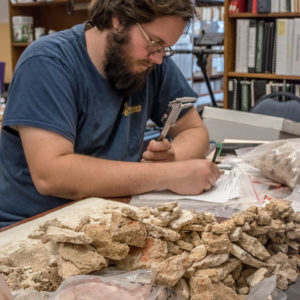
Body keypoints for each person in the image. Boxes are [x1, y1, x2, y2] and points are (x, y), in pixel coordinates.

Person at [0, 0, 221, 228]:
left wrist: (174, 156)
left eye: (166, 48)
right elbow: (52, 175)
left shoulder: (154, 64)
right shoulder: (47, 63)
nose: (158, 58)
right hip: (34, 226)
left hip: (108, 218)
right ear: (118, 20)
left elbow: (193, 129)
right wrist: (167, 174)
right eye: (155, 43)